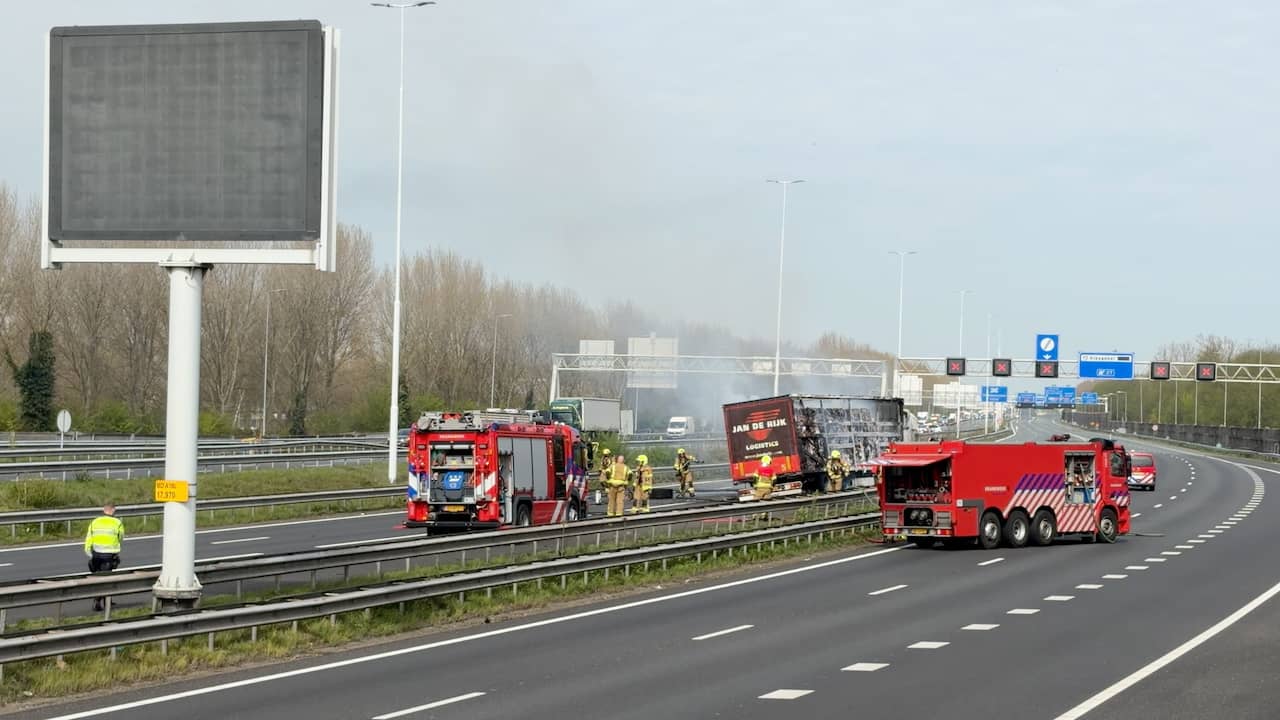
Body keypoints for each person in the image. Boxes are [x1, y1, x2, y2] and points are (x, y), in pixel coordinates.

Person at [84, 503, 124, 611]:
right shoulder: (117, 522)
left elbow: (89, 538)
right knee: (106, 579)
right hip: (109, 554)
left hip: (96, 554)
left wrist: (89, 553)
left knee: (99, 578)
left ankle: (108, 600)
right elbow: (120, 537)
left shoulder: (95, 521)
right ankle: (98, 601)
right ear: (113, 511)